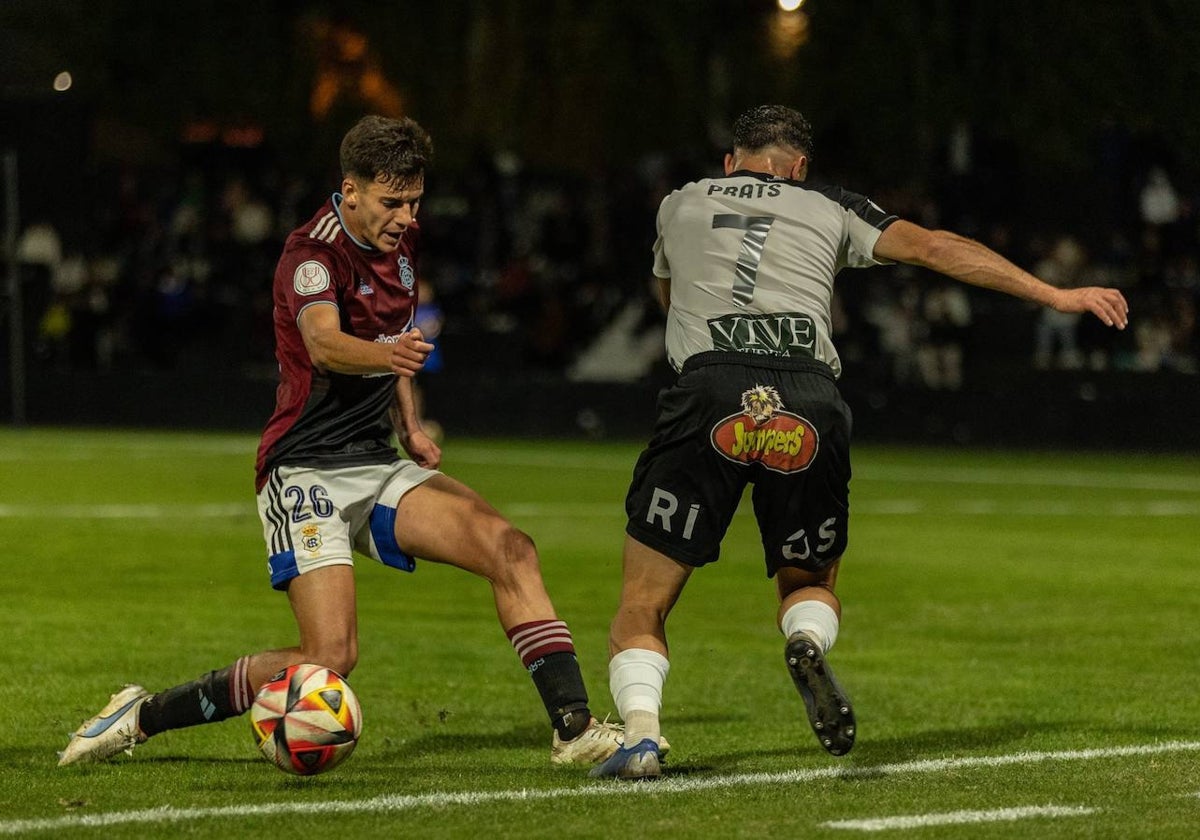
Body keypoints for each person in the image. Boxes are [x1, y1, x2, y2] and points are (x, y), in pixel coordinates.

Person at [58, 115, 626, 768]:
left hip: (375, 461)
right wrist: (391, 360)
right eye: (393, 202)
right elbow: (325, 344)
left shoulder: (401, 248)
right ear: (350, 189)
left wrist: (409, 424)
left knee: (510, 548)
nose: (407, 216)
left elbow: (400, 344)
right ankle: (144, 713)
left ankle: (574, 727)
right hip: (304, 469)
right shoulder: (312, 255)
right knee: (330, 659)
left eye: (414, 201)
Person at [591, 105, 1129, 780]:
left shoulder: (681, 202)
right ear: (800, 167)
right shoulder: (831, 205)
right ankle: (806, 639)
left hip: (710, 390)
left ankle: (641, 737)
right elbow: (935, 247)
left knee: (644, 601)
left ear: (731, 161)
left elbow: (667, 295)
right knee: (809, 578)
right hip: (810, 395)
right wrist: (1052, 293)